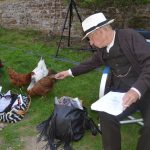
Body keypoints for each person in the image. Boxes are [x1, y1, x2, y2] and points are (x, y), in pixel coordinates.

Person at [55, 12, 150, 150]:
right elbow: (90, 63)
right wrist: (68, 72)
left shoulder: (130, 36)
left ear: (102, 31)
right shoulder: (103, 50)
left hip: (146, 91)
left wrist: (136, 90)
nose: (91, 43)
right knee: (105, 114)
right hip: (121, 95)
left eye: (90, 38)